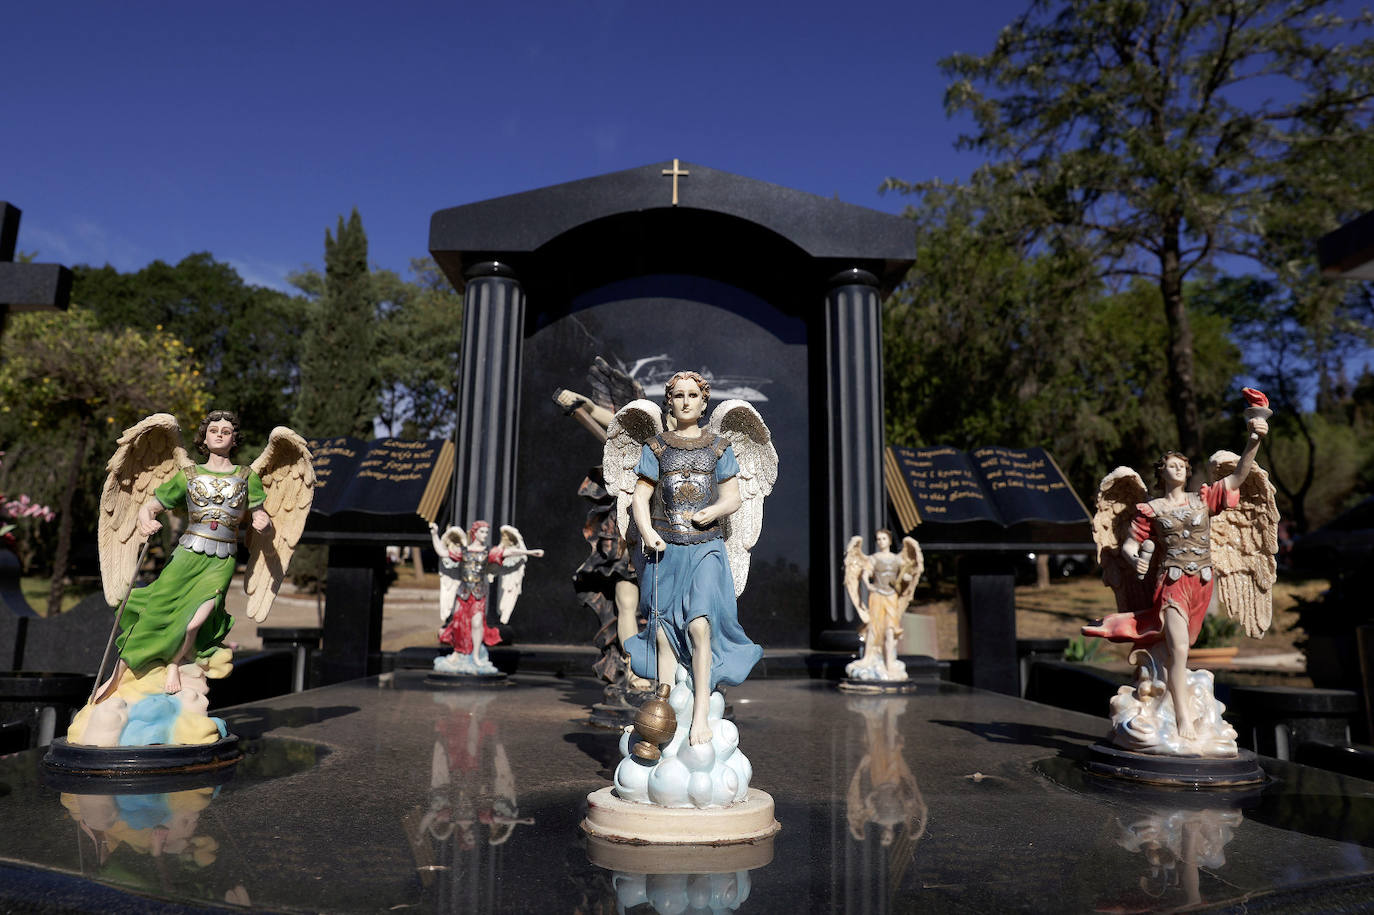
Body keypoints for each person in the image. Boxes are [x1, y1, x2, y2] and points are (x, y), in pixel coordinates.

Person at [1083, 409, 1269, 739]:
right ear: (1162, 472)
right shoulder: (1150, 510)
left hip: (1202, 583)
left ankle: (1168, 700)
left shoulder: (1203, 500)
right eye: (1172, 465)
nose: (1178, 468)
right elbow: (1128, 545)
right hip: (1171, 583)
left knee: (1178, 650)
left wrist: (1254, 438)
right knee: (1180, 649)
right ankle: (1183, 719)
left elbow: (1239, 476)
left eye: (1182, 465)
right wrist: (1136, 558)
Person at [624, 371, 762, 746]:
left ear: (704, 402)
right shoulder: (655, 447)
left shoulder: (719, 447)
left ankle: (701, 714)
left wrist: (713, 510)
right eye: (679, 395)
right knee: (665, 634)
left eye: (693, 395)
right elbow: (639, 498)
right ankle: (662, 708)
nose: (686, 401)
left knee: (700, 625)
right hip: (666, 551)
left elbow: (734, 497)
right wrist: (648, 532)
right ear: (670, 402)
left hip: (706, 549)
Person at [96, 410, 270, 701]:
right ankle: (117, 676)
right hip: (188, 555)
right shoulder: (188, 475)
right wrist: (146, 519)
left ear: (233, 439)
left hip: (221, 558)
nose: (219, 434)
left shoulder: (246, 476)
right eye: (214, 430)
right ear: (204, 436)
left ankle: (175, 664)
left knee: (195, 621)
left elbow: (260, 513)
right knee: (155, 614)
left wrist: (262, 522)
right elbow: (150, 505)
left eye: (226, 431)